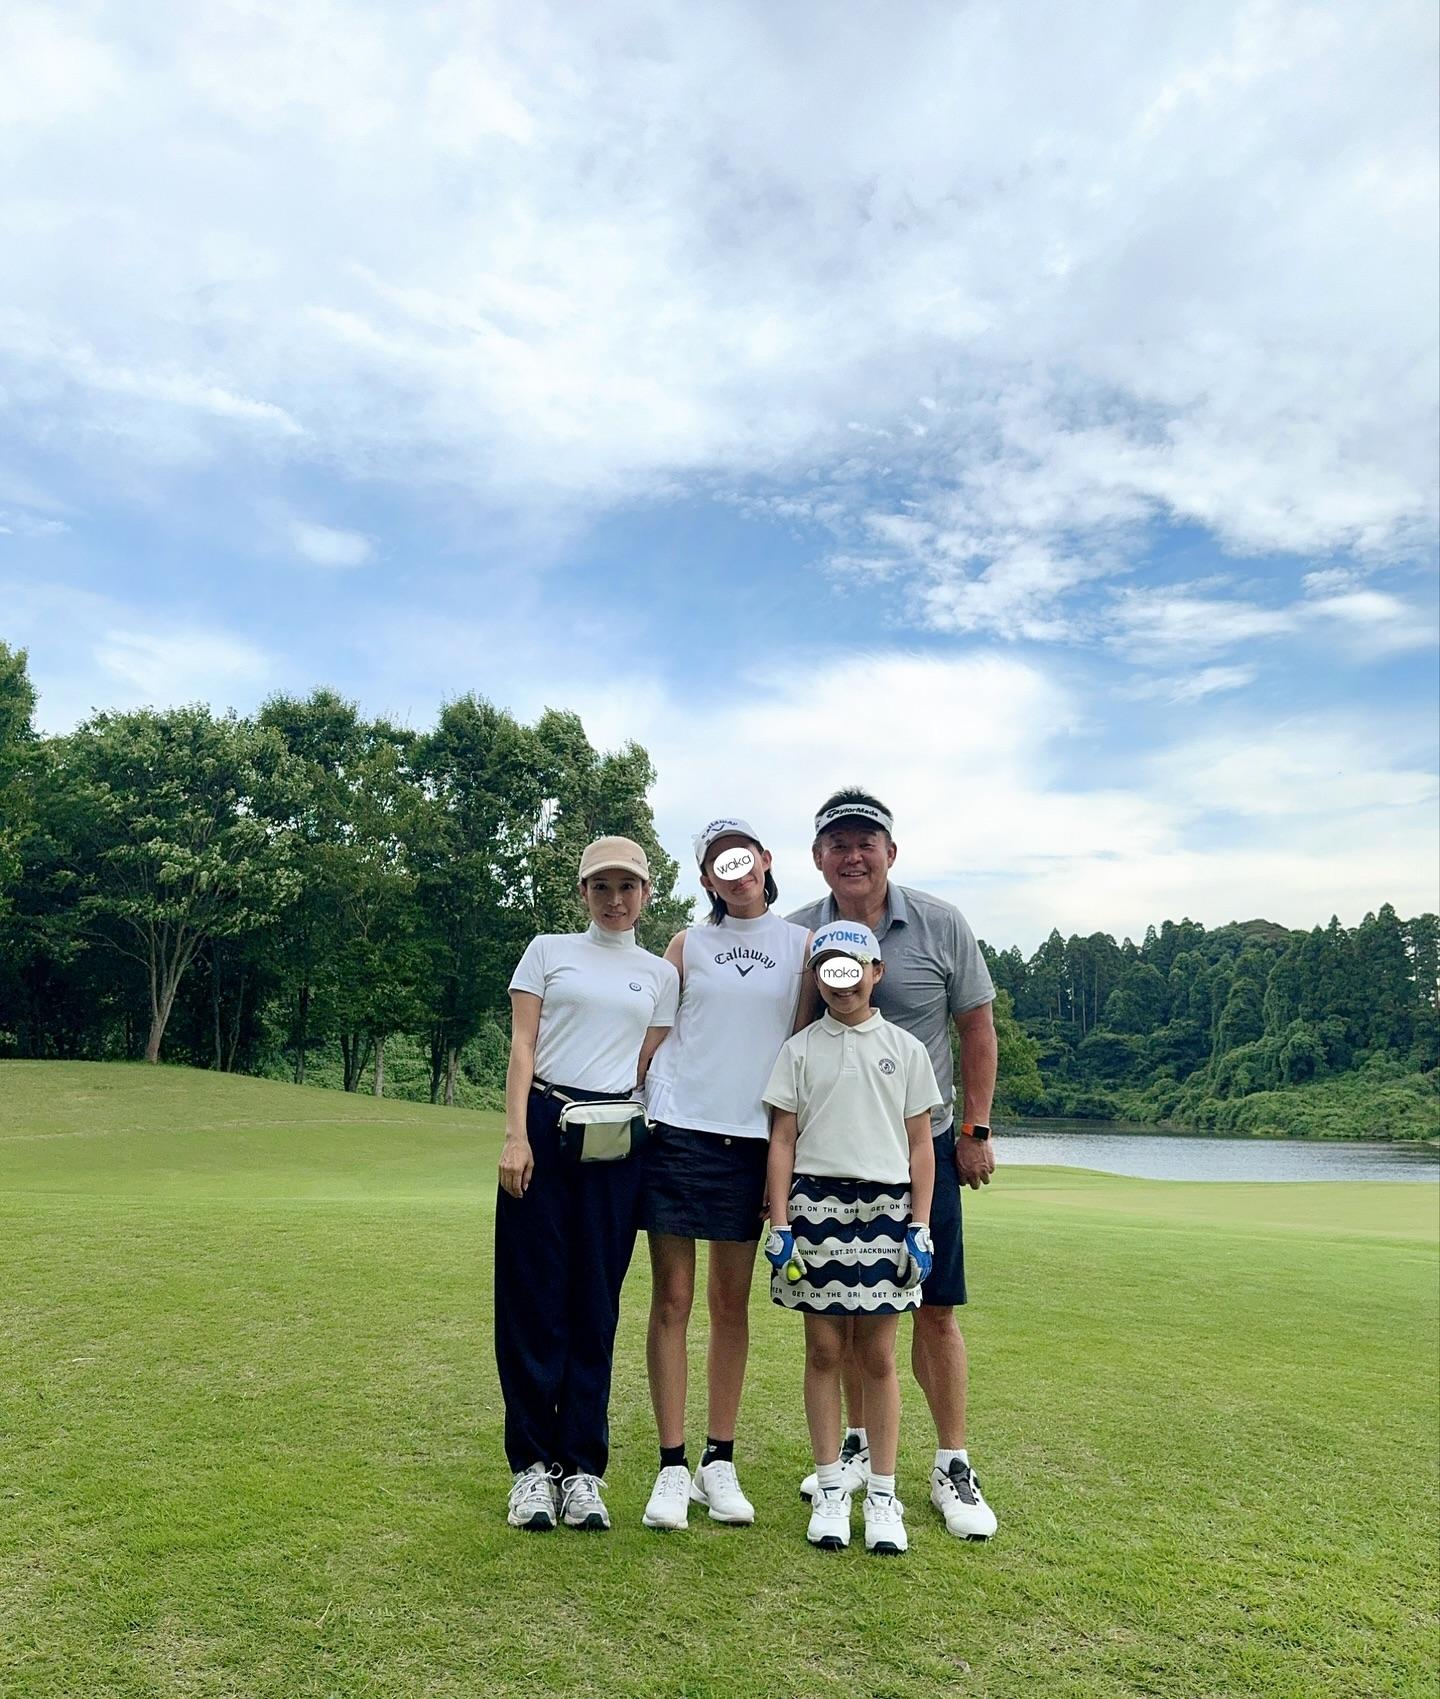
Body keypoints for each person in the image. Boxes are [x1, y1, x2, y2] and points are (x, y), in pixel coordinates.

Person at [787, 789, 1000, 1541]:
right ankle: (854, 1450)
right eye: (838, 844)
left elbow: (977, 1029)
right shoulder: (797, 932)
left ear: (890, 851)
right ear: (819, 858)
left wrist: (975, 1128)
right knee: (848, 1314)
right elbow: (788, 1037)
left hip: (922, 1149)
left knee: (934, 1307)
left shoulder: (941, 923)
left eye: (866, 841)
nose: (853, 855)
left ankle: (951, 1463)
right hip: (832, 1162)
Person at [496, 835, 680, 1534]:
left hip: (614, 1138)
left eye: (627, 886)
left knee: (595, 1302)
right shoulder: (548, 951)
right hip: (545, 1125)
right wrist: (516, 1135)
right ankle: (531, 1468)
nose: (614, 899)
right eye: (601, 886)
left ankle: (581, 1470)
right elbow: (523, 1046)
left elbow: (645, 1064)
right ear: (582, 892)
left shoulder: (658, 975)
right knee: (532, 1297)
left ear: (646, 895)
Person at [638, 818, 810, 1531]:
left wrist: (784, 1160)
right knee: (672, 1299)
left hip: (752, 1142)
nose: (734, 873)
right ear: (707, 878)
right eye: (718, 864)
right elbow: (653, 1033)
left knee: (730, 1303)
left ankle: (718, 1461)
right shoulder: (688, 944)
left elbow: (800, 1051)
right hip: (678, 1129)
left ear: (765, 861)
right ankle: (672, 1466)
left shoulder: (801, 946)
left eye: (743, 858)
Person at [762, 920, 939, 1555]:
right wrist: (780, 1223)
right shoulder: (799, 1050)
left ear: (875, 973)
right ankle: (832, 1488)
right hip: (816, 1206)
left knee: (879, 1356)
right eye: (828, 970)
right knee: (823, 1350)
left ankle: (883, 1495)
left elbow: (921, 1145)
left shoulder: (906, 1050)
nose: (841, 982)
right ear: (816, 978)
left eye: (852, 968)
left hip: (889, 1208)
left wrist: (920, 1227)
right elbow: (783, 1139)